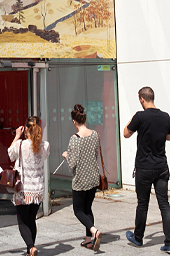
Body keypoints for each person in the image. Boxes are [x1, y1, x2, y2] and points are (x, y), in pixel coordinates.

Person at [123, 87, 170, 254]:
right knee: (164, 204)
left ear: (141, 99)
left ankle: (138, 238)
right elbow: (169, 137)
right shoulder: (165, 116)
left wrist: (133, 120)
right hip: (161, 166)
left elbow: (126, 133)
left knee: (142, 204)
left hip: (144, 167)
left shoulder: (140, 116)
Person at [62, 104, 102, 251]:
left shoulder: (74, 139)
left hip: (80, 180)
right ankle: (88, 240)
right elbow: (95, 155)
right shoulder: (95, 134)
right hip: (93, 177)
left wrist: (66, 155)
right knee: (88, 208)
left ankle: (94, 231)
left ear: (74, 121)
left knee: (78, 210)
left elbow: (72, 164)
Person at [8, 116, 49, 256]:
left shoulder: (20, 144)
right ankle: (29, 251)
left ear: (26, 129)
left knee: (22, 221)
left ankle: (31, 247)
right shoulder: (45, 146)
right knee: (31, 220)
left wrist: (17, 136)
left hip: (24, 190)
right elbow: (43, 157)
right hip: (38, 190)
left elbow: (10, 154)